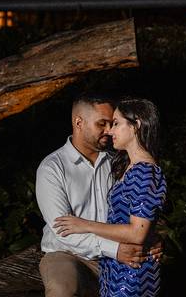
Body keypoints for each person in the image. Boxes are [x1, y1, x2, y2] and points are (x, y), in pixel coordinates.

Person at [35, 92, 160, 297]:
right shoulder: (52, 168)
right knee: (62, 289)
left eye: (112, 123)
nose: (109, 131)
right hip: (69, 254)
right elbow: (63, 231)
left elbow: (138, 209)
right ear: (79, 123)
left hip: (118, 253)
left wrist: (150, 238)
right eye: (102, 124)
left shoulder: (118, 162)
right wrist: (115, 249)